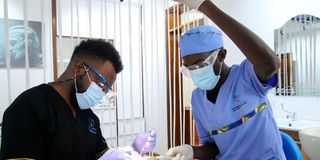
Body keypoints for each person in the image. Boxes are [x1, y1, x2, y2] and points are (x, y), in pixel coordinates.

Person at [166, 0, 286, 160]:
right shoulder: (198, 98)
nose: (195, 72)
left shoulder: (247, 77)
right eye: (189, 68)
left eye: (199, 64)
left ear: (221, 55)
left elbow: (271, 65)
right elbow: (213, 147)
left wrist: (203, 5)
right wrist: (191, 151)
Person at [0, 39, 156, 160]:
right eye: (101, 83)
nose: (102, 92)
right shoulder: (29, 108)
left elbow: (101, 155)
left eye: (106, 88)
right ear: (79, 68)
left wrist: (133, 149)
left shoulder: (89, 117)